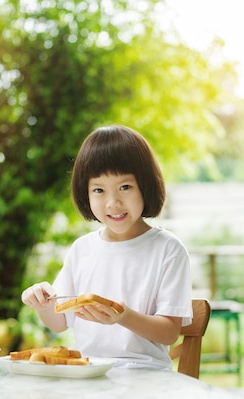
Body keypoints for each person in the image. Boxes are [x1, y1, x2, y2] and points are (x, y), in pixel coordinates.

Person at [21, 125, 192, 370]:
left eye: (125, 187)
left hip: (145, 376)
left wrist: (123, 317)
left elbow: (169, 333)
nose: (113, 203)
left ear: (145, 186)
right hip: (89, 372)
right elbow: (58, 322)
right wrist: (41, 304)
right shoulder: (82, 249)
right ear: (86, 194)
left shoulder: (168, 250)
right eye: (99, 190)